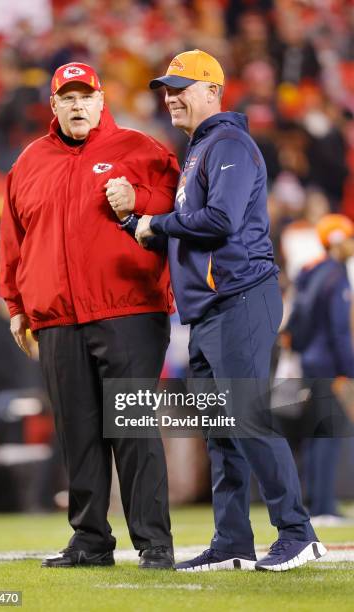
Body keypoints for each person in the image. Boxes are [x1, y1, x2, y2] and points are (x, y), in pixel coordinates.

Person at [133, 49, 326, 571]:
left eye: (180, 86)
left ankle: (298, 531)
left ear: (213, 90)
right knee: (222, 430)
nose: (169, 96)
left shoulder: (228, 142)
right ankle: (232, 542)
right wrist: (146, 224)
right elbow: (192, 229)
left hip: (240, 297)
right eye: (166, 89)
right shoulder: (200, 148)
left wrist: (158, 223)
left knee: (245, 417)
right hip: (209, 310)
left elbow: (219, 220)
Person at [0, 62, 179, 569]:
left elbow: (177, 213)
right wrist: (16, 305)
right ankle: (90, 540)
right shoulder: (29, 162)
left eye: (86, 96)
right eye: (67, 98)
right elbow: (14, 240)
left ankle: (154, 543)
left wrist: (137, 199)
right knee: (77, 433)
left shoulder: (143, 152)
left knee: (134, 430)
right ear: (53, 106)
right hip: (56, 317)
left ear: (102, 101)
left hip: (129, 311)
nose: (77, 106)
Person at [286, 214, 354, 526]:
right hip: (328, 364)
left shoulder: (311, 272)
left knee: (317, 434)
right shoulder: (334, 275)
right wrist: (348, 369)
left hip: (310, 362)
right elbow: (339, 330)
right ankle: (324, 505)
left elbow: (297, 322)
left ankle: (315, 503)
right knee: (329, 433)